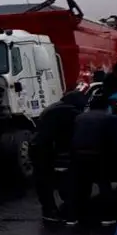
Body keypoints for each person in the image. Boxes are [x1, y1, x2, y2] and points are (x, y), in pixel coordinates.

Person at [31, 90, 87, 223]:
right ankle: (67, 209)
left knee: (43, 180)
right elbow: (70, 134)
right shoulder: (71, 112)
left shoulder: (51, 108)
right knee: (64, 178)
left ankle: (49, 210)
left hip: (37, 147)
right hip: (51, 149)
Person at [70, 95, 117, 228]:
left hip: (79, 155)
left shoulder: (79, 118)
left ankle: (74, 217)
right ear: (106, 106)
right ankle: (107, 217)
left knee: (81, 187)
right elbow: (114, 139)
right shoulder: (110, 118)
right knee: (104, 185)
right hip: (99, 155)